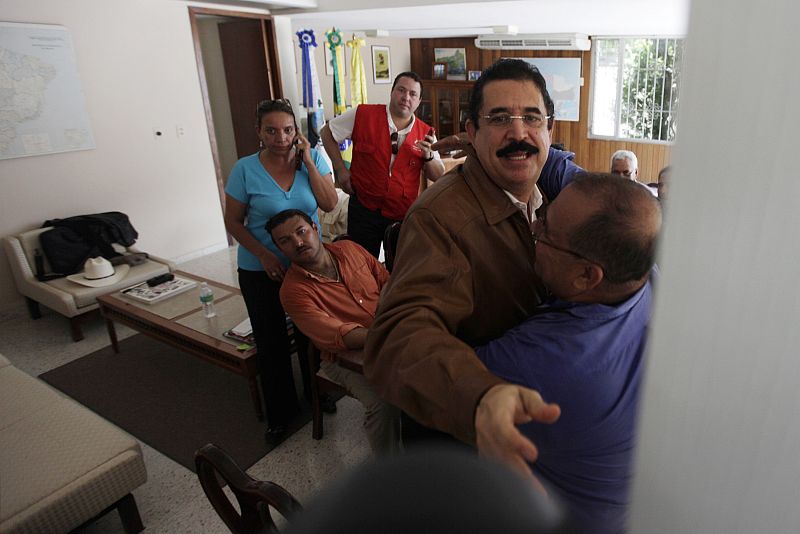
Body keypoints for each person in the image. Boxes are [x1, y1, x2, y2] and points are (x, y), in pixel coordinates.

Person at [364, 58, 567, 448]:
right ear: (471, 132)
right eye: (499, 118)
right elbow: (400, 334)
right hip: (466, 433)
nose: (518, 133)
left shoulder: (551, 199)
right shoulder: (439, 218)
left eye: (532, 118)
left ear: (549, 130)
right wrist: (480, 396)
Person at [474, 173, 661, 533]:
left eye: (545, 232)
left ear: (586, 276)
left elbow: (439, 374)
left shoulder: (551, 361)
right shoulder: (642, 269)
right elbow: (569, 173)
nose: (533, 223)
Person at [224, 99, 338, 442]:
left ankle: (317, 392)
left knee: (313, 334)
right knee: (271, 342)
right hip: (262, 268)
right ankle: (280, 413)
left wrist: (308, 163)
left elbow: (330, 204)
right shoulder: (245, 169)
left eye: (288, 130)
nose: (281, 137)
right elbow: (233, 221)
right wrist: (262, 254)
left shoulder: (313, 159)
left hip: (308, 267)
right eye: (271, 130)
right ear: (259, 132)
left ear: (297, 131)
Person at [268, 209, 400, 454]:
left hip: (388, 332)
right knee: (384, 404)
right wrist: (390, 335)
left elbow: (388, 282)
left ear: (315, 229)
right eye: (285, 240)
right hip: (342, 359)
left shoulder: (350, 249)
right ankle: (389, 474)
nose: (297, 242)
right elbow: (338, 335)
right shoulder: (293, 291)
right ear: (278, 248)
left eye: (301, 231)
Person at [320, 72, 446, 257]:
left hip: (400, 215)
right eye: (401, 90)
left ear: (419, 101)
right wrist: (340, 170)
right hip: (363, 208)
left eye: (412, 94)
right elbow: (327, 133)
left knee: (399, 269)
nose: (405, 97)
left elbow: (438, 174)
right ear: (392, 92)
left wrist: (428, 156)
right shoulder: (362, 114)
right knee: (362, 268)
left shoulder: (426, 132)